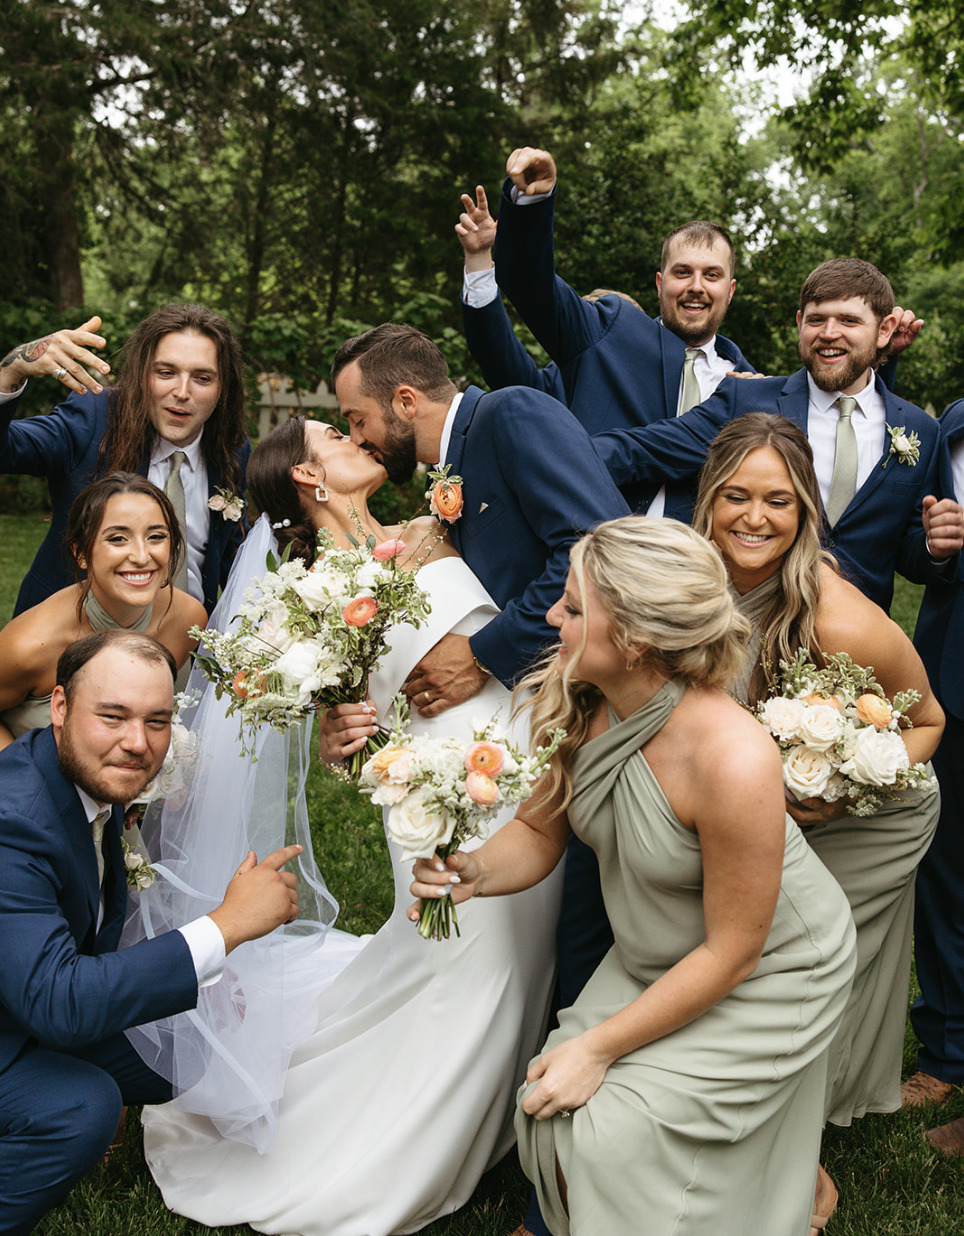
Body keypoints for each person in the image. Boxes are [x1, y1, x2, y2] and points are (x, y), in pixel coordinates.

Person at [131, 415, 565, 1236]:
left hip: (526, 752)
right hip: (432, 786)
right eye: (335, 435)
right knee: (470, 964)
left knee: (525, 947)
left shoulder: (436, 527)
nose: (360, 439)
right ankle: (402, 1143)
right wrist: (341, 736)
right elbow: (324, 726)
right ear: (308, 477)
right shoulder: (305, 593)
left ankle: (502, 1112)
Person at [412, 516, 856, 1236]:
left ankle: (772, 1192)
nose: (552, 617)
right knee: (547, 1105)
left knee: (607, 1134)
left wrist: (599, 1045)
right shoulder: (577, 697)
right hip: (662, 949)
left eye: (574, 608)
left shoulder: (732, 758)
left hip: (774, 967)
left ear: (638, 638)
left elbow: (736, 949)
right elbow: (535, 830)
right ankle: (779, 1177)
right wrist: (472, 871)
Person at [691, 413, 944, 1222]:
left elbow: (928, 722)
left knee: (782, 968)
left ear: (805, 511)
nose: (754, 518)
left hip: (874, 812)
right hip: (774, 811)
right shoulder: (686, 584)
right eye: (735, 496)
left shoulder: (837, 616)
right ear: (707, 500)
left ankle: (794, 1165)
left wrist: (848, 782)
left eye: (778, 500)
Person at [0, 629, 303, 1234]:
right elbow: (60, 1001)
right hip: (25, 1014)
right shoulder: (13, 820)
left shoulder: (80, 778)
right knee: (83, 1108)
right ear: (59, 708)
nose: (137, 743)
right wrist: (225, 927)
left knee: (195, 1042)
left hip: (21, 997)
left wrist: (202, 980)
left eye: (156, 721)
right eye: (112, 716)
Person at [593, 258, 964, 613]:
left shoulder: (920, 431)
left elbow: (909, 557)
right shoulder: (747, 399)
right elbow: (642, 450)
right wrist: (555, 455)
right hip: (746, 629)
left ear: (884, 331)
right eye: (817, 319)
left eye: (848, 320)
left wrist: (934, 547)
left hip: (854, 646)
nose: (829, 333)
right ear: (800, 323)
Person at [331, 321, 629, 709]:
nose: (355, 438)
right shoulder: (451, 467)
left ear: (406, 402)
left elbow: (597, 551)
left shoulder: (512, 413)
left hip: (602, 696)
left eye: (357, 420)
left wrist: (481, 654)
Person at [0, 303, 250, 616]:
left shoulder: (233, 448)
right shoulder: (93, 418)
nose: (182, 391)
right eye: (166, 372)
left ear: (222, 389)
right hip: (73, 640)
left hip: (188, 645)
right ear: (141, 374)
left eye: (202, 378)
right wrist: (11, 371)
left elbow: (233, 557)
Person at [0, 472, 205, 749]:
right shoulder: (29, 644)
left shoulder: (186, 621)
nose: (142, 556)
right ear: (81, 553)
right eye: (118, 539)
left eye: (156, 536)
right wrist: (22, 776)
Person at [905, 395, 964, 1150]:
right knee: (944, 876)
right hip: (951, 673)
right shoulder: (951, 421)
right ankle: (947, 1054)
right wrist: (939, 550)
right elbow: (918, 553)